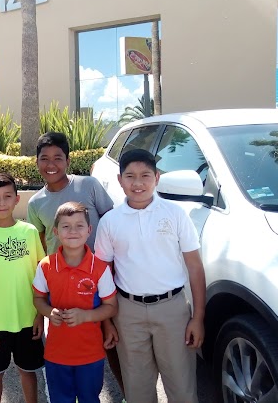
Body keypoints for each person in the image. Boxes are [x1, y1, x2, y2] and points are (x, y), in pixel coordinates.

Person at [94, 149, 206, 403]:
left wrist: (198, 318)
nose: (138, 183)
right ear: (120, 179)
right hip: (127, 312)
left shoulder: (175, 214)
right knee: (138, 389)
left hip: (173, 309)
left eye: (145, 175)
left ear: (157, 177)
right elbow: (103, 273)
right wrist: (107, 321)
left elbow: (195, 267)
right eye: (130, 176)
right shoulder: (110, 221)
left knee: (182, 387)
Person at [26, 131, 123, 393]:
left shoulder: (89, 185)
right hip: (63, 282)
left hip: (100, 277)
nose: (51, 164)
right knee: (69, 340)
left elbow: (112, 223)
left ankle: (126, 393)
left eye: (58, 158)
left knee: (112, 343)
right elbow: (40, 246)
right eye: (44, 158)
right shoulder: (35, 203)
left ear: (68, 161)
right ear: (37, 162)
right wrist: (41, 312)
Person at [0, 172, 45, 403]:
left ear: (17, 199)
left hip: (28, 319)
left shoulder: (30, 232)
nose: (1, 202)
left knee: (28, 372)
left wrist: (40, 316)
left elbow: (41, 278)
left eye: (7, 196)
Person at [33, 201, 118, 403]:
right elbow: (38, 299)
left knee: (90, 398)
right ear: (55, 231)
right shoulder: (46, 266)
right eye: (66, 226)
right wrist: (48, 311)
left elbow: (111, 307)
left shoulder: (99, 268)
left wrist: (86, 316)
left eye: (79, 225)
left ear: (89, 230)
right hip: (56, 354)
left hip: (91, 354)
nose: (73, 231)